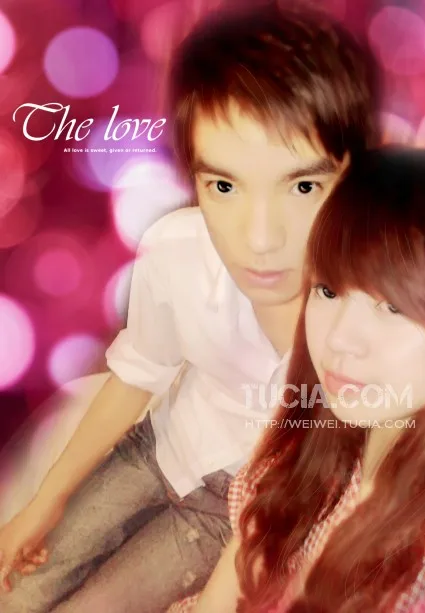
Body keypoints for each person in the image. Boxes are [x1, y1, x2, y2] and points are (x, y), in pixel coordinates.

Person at [0, 2, 380, 612]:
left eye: (303, 185)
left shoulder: (380, 322)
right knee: (20, 589)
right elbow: (137, 373)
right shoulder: (177, 251)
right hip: (156, 447)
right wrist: (43, 503)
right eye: (224, 186)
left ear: (357, 176)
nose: (260, 238)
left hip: (226, 512)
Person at [169, 146, 425, 613]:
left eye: (393, 306)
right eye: (328, 290)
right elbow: (245, 560)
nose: (339, 338)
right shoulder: (321, 430)